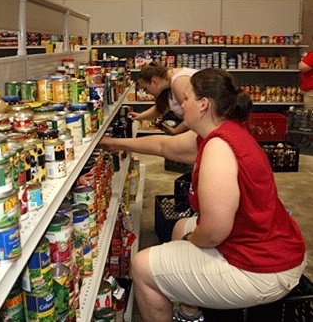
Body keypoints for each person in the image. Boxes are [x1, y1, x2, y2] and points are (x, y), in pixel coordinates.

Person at [99, 68, 306, 322]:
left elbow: (214, 231)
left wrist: (191, 238)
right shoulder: (223, 131)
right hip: (268, 242)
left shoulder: (218, 149)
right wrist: (113, 143)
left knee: (141, 267)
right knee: (178, 228)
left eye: (186, 99)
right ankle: (190, 313)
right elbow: (163, 145)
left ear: (203, 105)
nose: (181, 105)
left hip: (264, 268)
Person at [131, 62, 198, 135]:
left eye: (145, 89)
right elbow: (161, 109)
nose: (146, 93)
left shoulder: (178, 82)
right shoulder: (167, 84)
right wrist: (140, 116)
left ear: (154, 81)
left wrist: (176, 131)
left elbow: (193, 115)